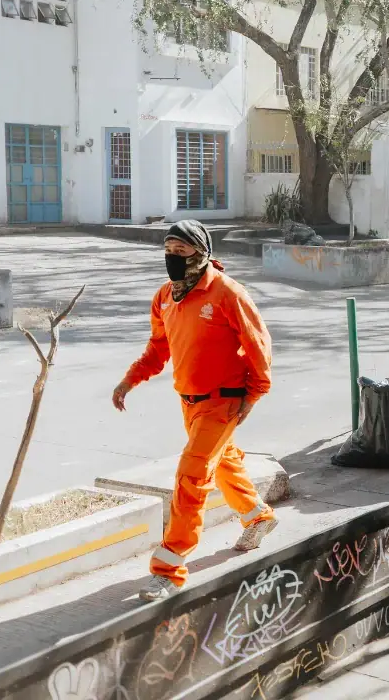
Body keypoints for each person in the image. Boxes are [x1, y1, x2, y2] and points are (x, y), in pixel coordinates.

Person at [112, 220, 277, 602]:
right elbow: (158, 349)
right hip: (189, 401)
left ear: (201, 253)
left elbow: (258, 345)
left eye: (181, 252)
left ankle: (169, 568)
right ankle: (258, 516)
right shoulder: (165, 297)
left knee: (191, 475)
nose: (173, 259)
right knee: (223, 463)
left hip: (223, 400)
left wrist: (252, 395)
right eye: (168, 251)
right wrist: (128, 381)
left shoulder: (226, 292)